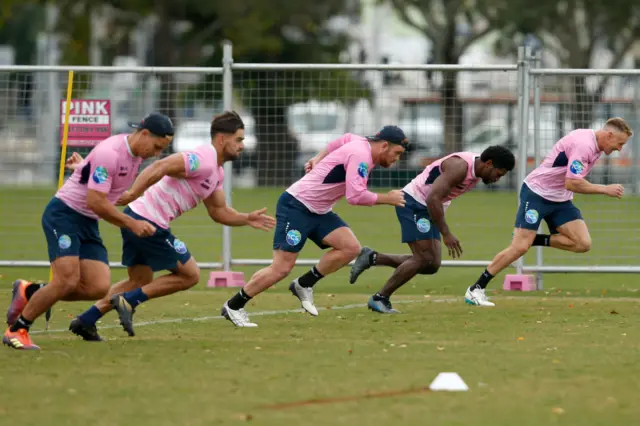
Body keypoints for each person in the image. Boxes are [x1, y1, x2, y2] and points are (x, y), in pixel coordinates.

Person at [70, 111, 276, 341]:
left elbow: (219, 212)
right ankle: (129, 301)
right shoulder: (203, 158)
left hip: (138, 216)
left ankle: (86, 320)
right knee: (189, 275)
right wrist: (132, 193)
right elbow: (161, 166)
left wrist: (247, 218)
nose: (241, 146)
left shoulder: (215, 172)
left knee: (139, 281)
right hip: (147, 220)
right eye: (238, 139)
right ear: (221, 139)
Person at [3, 113, 174, 350]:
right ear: (144, 134)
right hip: (64, 215)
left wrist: (83, 167)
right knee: (66, 280)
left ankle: (30, 291)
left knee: (97, 287)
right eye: (157, 147)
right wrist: (131, 223)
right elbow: (96, 201)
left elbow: (110, 191)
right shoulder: (111, 152)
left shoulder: (133, 156)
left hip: (88, 221)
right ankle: (17, 330)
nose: (156, 154)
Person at [221, 126, 409, 327]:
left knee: (350, 248)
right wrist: (386, 198)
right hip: (296, 206)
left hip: (319, 210)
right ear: (385, 145)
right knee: (281, 267)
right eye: (396, 153)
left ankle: (304, 284)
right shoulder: (361, 156)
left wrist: (318, 157)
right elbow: (355, 196)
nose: (396, 159)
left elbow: (342, 139)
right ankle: (234, 306)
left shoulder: (360, 141)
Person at [465, 117, 632, 306]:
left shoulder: (597, 146)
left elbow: (569, 182)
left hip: (560, 198)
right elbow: (572, 182)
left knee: (583, 243)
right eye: (620, 143)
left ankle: (533, 239)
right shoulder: (584, 145)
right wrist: (604, 189)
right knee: (519, 248)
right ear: (609, 135)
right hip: (537, 194)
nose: (620, 149)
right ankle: (475, 289)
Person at [349, 146, 515, 313]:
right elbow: (432, 197)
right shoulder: (459, 167)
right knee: (423, 258)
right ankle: (380, 298)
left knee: (431, 265)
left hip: (428, 208)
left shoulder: (476, 171)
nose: (497, 179)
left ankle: (373, 257)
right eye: (498, 174)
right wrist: (446, 233)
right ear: (488, 163)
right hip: (414, 203)